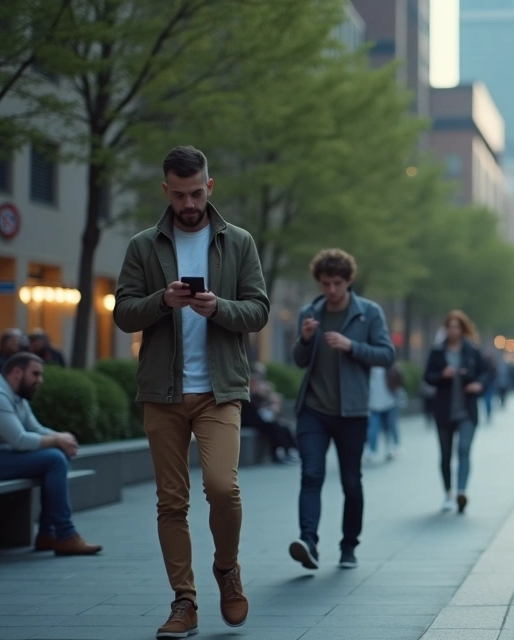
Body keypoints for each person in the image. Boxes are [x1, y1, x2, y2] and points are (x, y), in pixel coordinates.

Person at [113, 145, 270, 638]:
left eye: (196, 192)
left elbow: (259, 310)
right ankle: (184, 601)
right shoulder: (144, 245)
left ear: (210, 186)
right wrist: (162, 301)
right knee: (171, 502)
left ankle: (227, 568)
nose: (189, 202)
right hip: (162, 392)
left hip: (219, 390)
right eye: (179, 194)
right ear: (166, 190)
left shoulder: (238, 242)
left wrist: (216, 307)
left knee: (223, 487)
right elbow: (122, 312)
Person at [289, 249, 394, 571]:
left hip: (352, 412)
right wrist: (306, 340)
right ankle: (309, 541)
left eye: (337, 283)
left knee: (351, 481)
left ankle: (349, 546)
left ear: (349, 281)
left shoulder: (368, 313)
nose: (331, 290)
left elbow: (387, 355)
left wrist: (352, 347)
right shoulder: (310, 312)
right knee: (311, 474)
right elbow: (299, 360)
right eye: (325, 283)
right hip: (313, 410)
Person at [0, 352, 101, 555]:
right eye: (35, 374)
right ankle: (65, 535)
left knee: (59, 454)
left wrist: (63, 438)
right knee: (54, 459)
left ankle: (48, 535)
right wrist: (57, 441)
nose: (40, 380)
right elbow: (20, 440)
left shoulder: (16, 396)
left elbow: (37, 430)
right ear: (17, 372)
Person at [424, 311, 489, 514]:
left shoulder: (472, 351)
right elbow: (427, 377)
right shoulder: (437, 351)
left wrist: (478, 384)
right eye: (449, 326)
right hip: (443, 411)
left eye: (457, 326)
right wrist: (442, 375)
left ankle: (461, 491)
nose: (453, 330)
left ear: (462, 329)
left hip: (467, 410)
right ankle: (448, 493)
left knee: (463, 450)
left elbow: (486, 373)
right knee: (445, 455)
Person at [240, 375, 299, 465]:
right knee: (274, 427)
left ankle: (289, 450)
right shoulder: (248, 395)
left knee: (281, 426)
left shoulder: (258, 395)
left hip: (258, 420)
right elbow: (252, 413)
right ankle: (278, 454)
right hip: (250, 422)